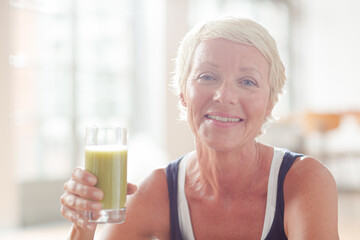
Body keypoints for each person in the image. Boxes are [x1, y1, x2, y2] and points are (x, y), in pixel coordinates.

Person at [60, 17, 339, 239]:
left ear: (270, 103)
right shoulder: (158, 191)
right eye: (207, 76)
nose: (224, 95)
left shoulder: (304, 181)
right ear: (183, 94)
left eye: (248, 82)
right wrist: (83, 225)